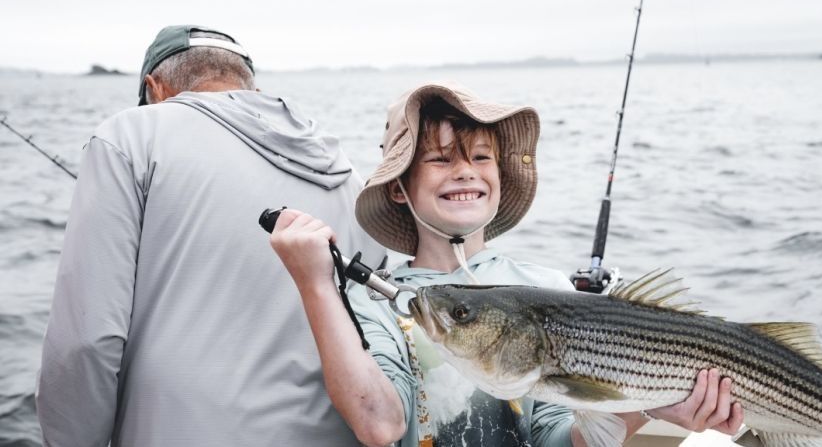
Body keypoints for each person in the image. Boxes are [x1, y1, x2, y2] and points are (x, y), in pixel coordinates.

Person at [270, 82, 744, 447]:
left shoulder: (545, 285)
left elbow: (565, 438)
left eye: (481, 157)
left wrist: (653, 403)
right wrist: (315, 284)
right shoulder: (373, 300)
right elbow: (380, 425)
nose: (465, 170)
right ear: (399, 187)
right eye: (439, 159)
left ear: (499, 176)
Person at [37, 25, 385, 447]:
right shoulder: (347, 173)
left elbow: (87, 341)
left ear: (155, 88)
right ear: (250, 88)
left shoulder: (130, 136)